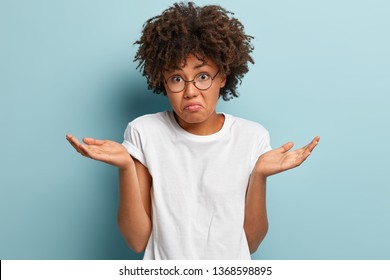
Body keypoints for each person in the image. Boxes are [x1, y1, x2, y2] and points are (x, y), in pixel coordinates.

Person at [66, 2, 319, 260]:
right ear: (162, 82)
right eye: (176, 78)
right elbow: (137, 240)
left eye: (202, 76)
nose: (189, 91)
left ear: (222, 76)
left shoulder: (252, 137)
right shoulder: (144, 132)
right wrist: (125, 167)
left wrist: (260, 174)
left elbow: (250, 243)